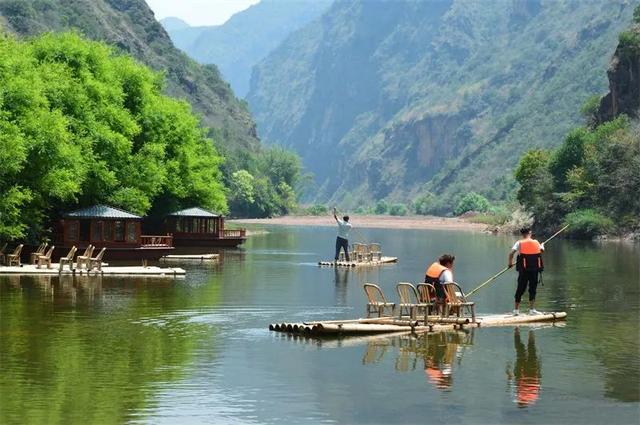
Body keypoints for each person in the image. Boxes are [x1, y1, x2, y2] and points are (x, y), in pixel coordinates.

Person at [508, 227, 545, 315]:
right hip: (534, 269)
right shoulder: (536, 242)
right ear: (530, 233)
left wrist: (510, 263)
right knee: (533, 289)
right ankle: (531, 310)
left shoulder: (519, 242)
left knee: (520, 289)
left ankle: (516, 310)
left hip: (523, 270)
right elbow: (541, 251)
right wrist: (542, 245)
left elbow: (511, 253)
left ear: (522, 234)